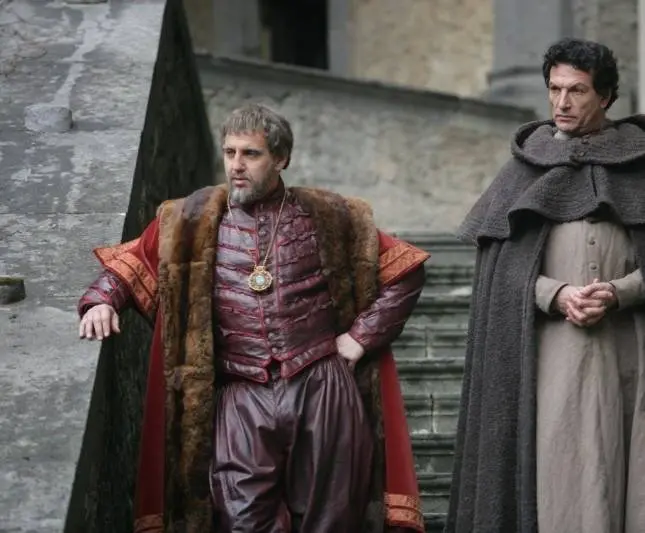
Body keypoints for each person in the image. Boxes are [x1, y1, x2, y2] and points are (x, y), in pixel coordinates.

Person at [77, 103, 429, 533]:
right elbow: (132, 263)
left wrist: (359, 338)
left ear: (280, 158)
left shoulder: (331, 215)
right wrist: (101, 301)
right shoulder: (190, 219)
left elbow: (406, 269)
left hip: (321, 384)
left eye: (251, 154)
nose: (236, 166)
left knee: (331, 521)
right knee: (242, 521)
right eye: (230, 153)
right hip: (239, 393)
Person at [446, 38, 645, 533]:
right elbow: (498, 270)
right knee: (558, 470)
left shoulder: (639, 163)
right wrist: (554, 294)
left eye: (577, 90)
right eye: (555, 89)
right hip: (548, 355)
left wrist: (622, 291)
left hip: (630, 350)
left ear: (606, 96)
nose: (562, 102)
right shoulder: (524, 168)